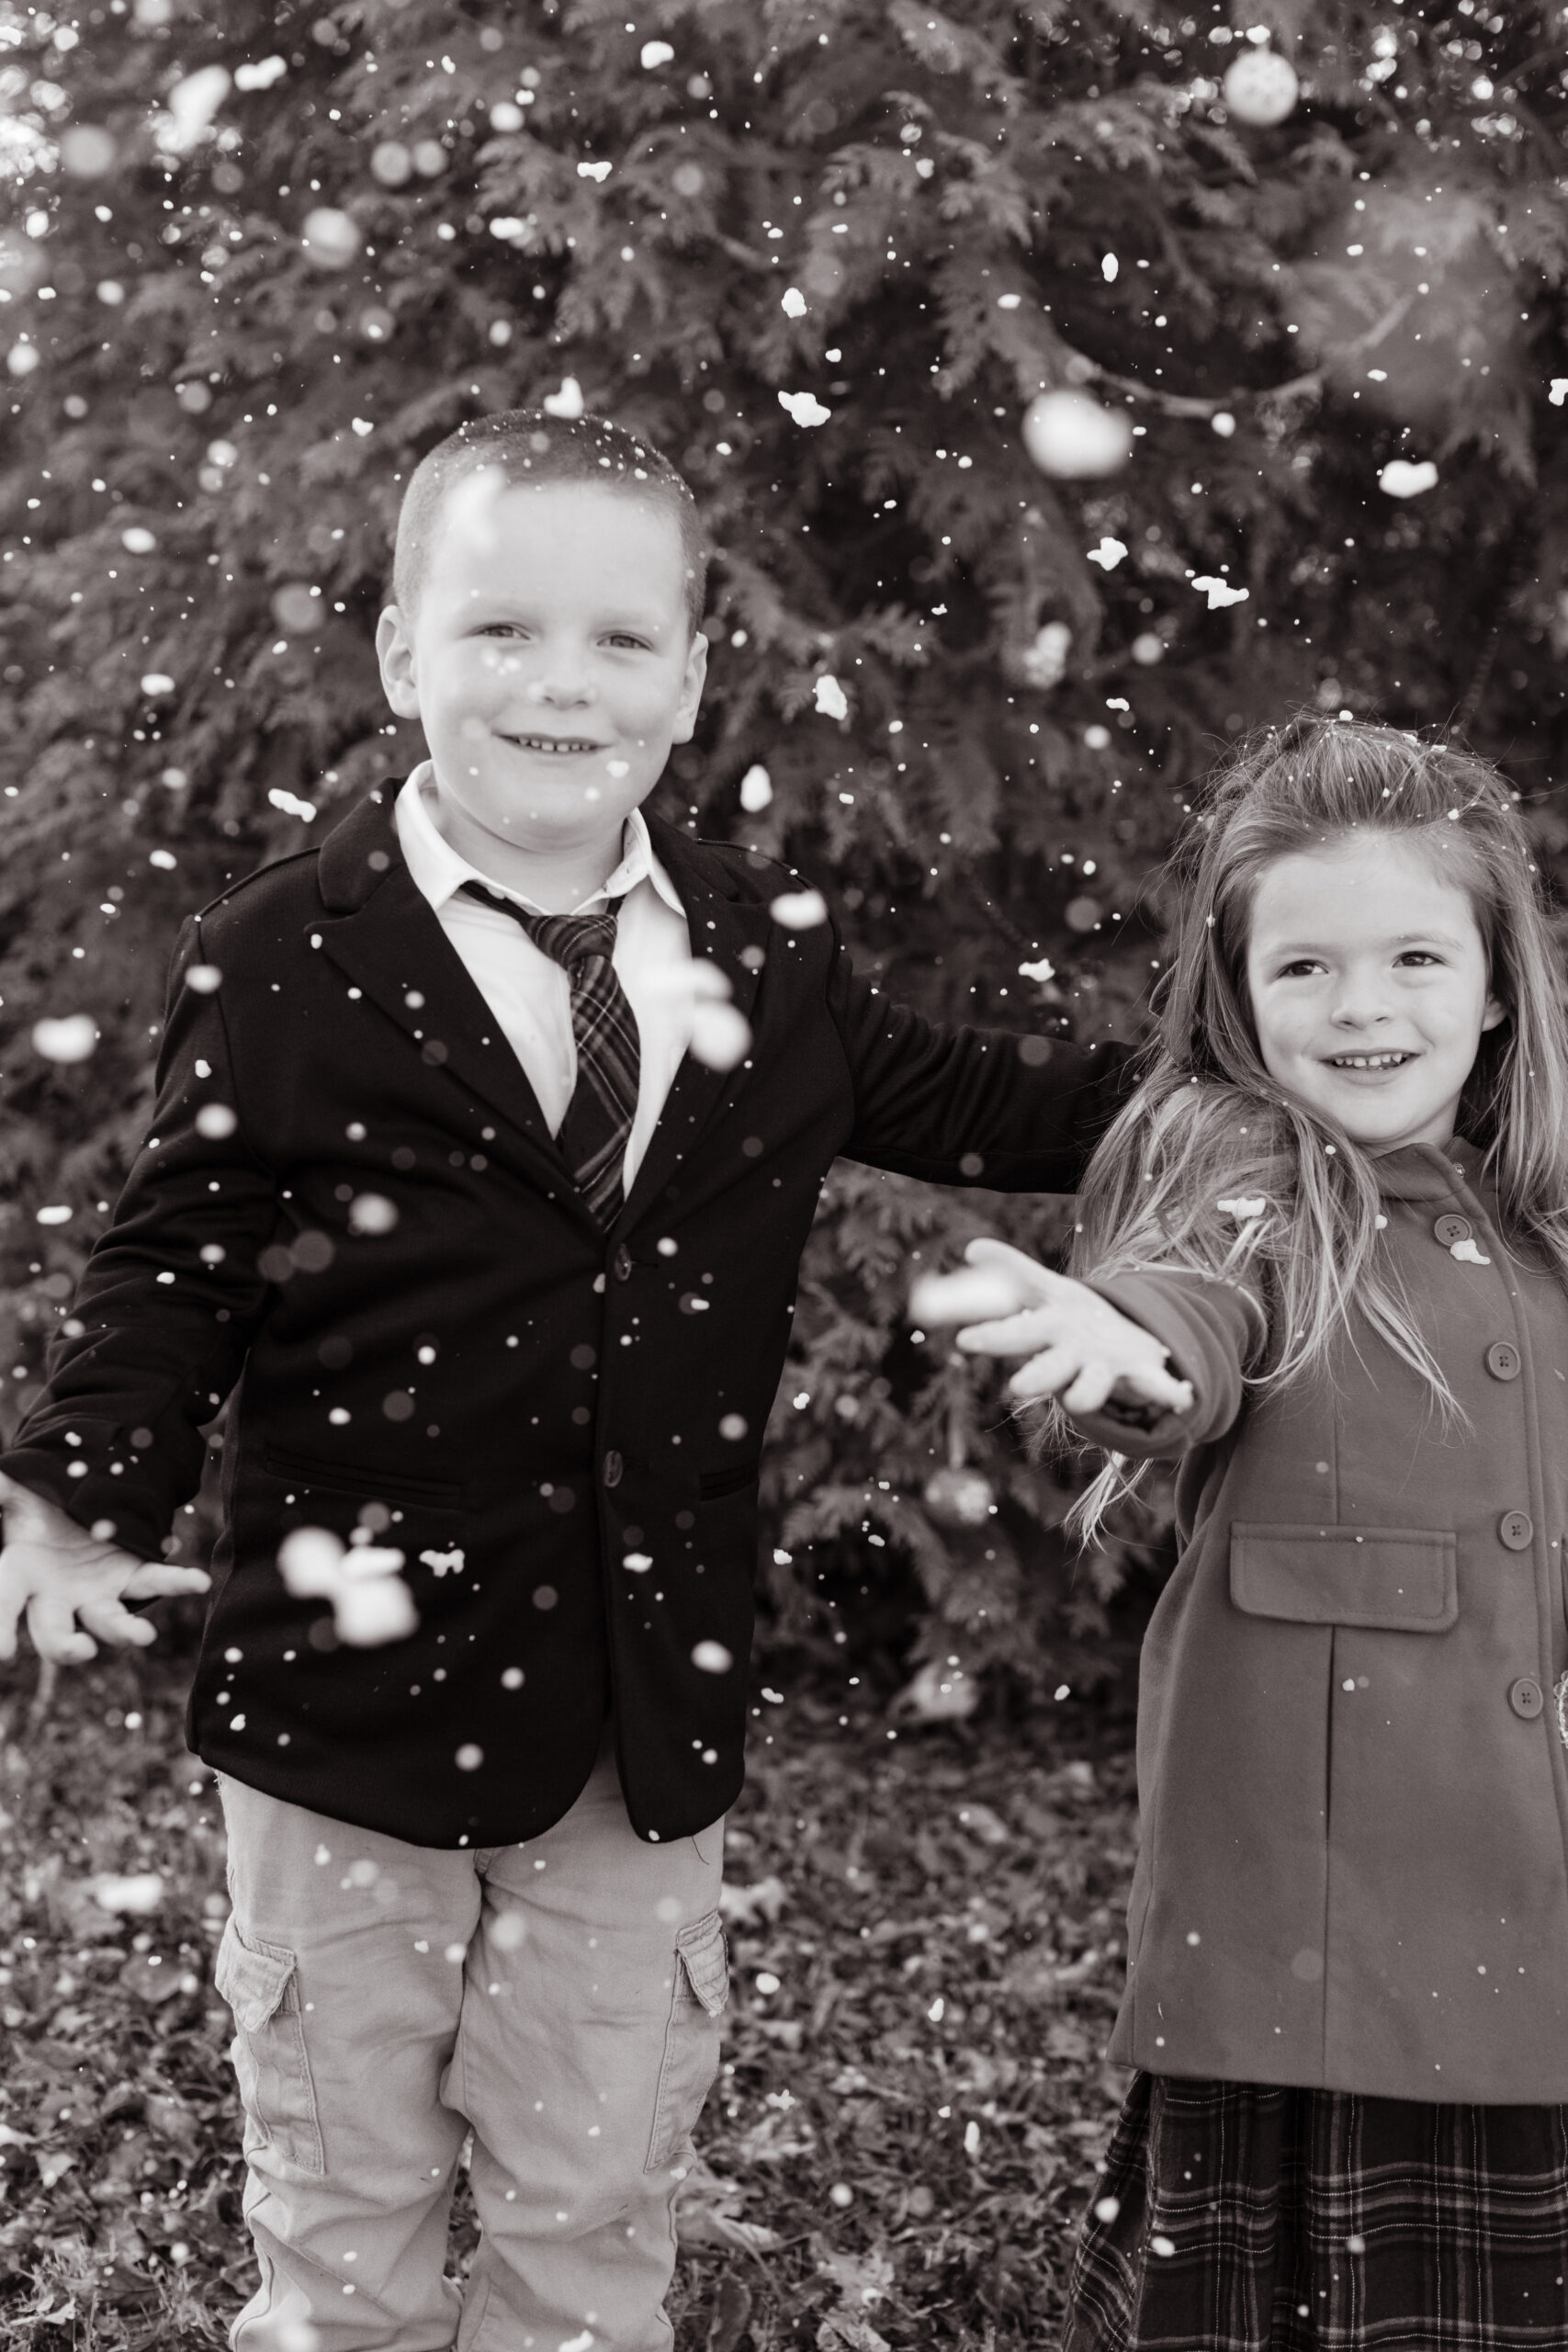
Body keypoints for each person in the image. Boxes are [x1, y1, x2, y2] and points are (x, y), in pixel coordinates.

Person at [0, 408, 1128, 2352]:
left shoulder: (760, 953)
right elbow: (176, 1258)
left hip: (634, 1696)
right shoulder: (288, 952)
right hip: (339, 1701)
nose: (558, 681)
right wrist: (67, 1491)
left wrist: (1270, 1063)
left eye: (620, 639)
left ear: (691, 677)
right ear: (400, 659)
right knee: (344, 2203)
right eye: (501, 628)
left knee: (590, 2195)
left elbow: (989, 1104)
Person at [916, 717, 1568, 2352]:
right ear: (1240, 995)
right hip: (1317, 1942)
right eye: (1308, 970)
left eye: (1417, 955)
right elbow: (1180, 1324)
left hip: (1537, 1906)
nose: (1365, 1008)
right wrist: (1126, 1357)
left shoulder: (1546, 1224)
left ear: (1498, 985)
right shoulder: (1251, 1184)